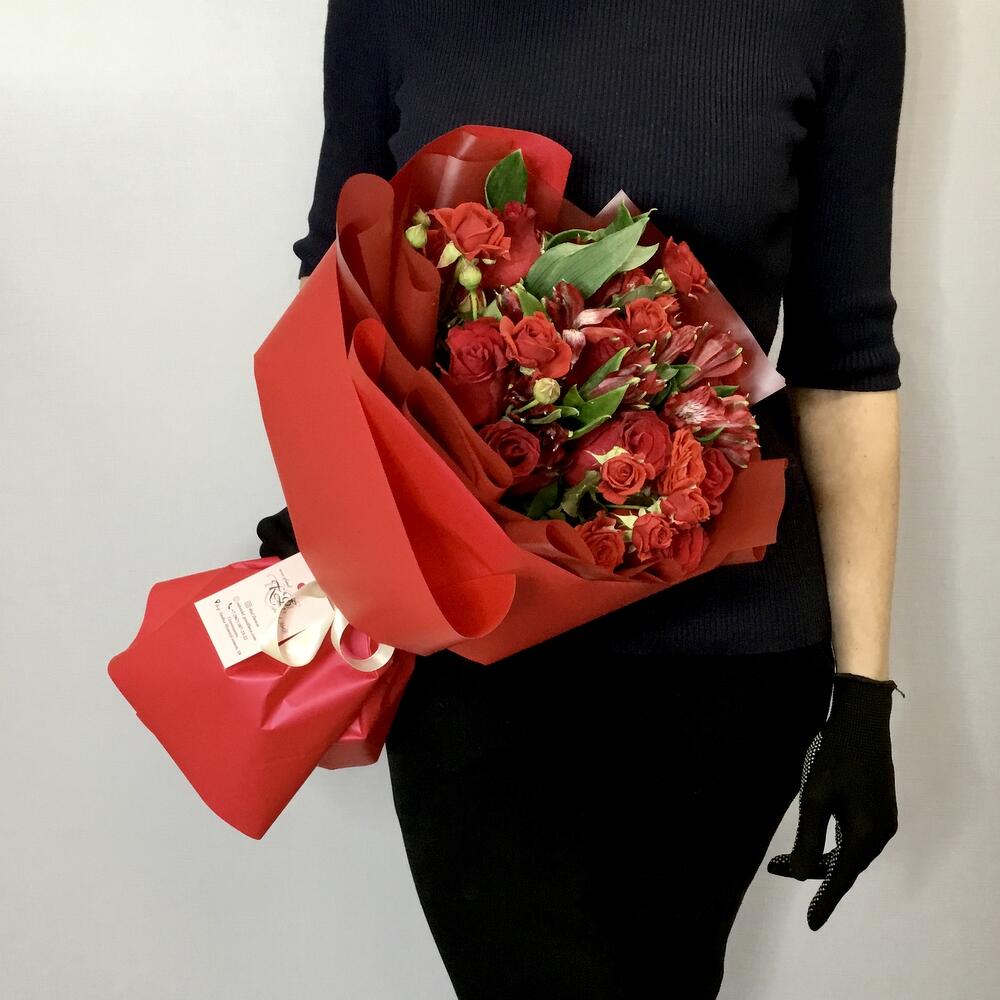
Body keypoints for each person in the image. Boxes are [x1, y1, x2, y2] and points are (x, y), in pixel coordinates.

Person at [257, 0, 908, 995]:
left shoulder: (833, 13)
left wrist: (863, 692)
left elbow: (845, 355)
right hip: (467, 627)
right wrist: (332, 510)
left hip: (727, 650)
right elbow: (335, 279)